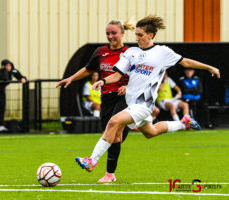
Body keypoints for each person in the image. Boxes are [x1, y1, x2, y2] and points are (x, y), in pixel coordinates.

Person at [75, 15, 220, 173]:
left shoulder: (162, 52)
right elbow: (117, 75)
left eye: (140, 35)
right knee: (151, 132)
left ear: (150, 35)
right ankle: (183, 123)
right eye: (136, 35)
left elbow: (185, 62)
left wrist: (209, 67)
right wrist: (103, 81)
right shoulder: (131, 52)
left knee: (113, 122)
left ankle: (92, 161)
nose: (137, 38)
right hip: (132, 104)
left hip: (144, 104)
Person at [57, 19, 135, 182]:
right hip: (106, 98)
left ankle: (96, 165)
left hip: (125, 98)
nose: (110, 36)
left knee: (114, 130)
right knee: (113, 137)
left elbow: (141, 76)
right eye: (108, 33)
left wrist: (128, 85)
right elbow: (88, 69)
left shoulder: (130, 53)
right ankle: (110, 174)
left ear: (122, 33)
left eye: (114, 33)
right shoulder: (100, 52)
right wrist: (70, 78)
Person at [0, 59, 26, 132]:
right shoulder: (1, 72)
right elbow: (5, 78)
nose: (9, 67)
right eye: (7, 66)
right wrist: (5, 70)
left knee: (2, 107)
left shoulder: (13, 71)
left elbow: (19, 75)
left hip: (1, 91)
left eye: (10, 65)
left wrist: (22, 78)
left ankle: (1, 125)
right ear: (3, 66)